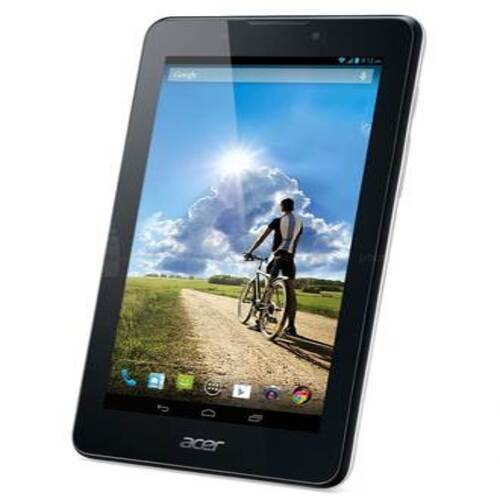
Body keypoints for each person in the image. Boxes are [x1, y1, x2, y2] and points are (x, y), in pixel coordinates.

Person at [244, 198, 303, 336]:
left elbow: (261, 238)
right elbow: (295, 243)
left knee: (269, 287)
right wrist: (291, 256)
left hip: (277, 256)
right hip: (290, 258)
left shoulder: (277, 221)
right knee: (291, 292)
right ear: (292, 207)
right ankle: (291, 327)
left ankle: (259, 322)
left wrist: (250, 251)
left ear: (282, 207)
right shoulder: (300, 223)